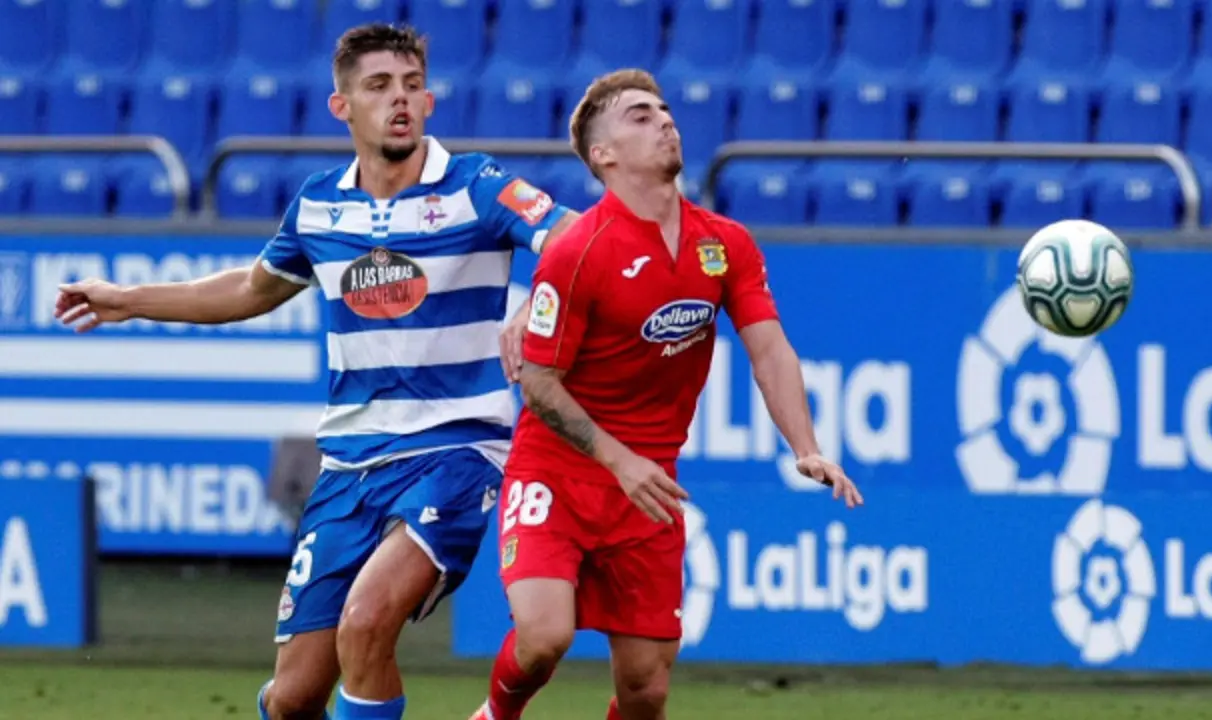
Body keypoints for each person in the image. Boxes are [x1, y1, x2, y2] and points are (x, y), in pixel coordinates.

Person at [52, 24, 578, 720]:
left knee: (367, 622)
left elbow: (578, 240)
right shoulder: (320, 204)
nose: (400, 100)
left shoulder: (477, 186)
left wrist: (535, 303)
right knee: (295, 698)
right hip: (348, 468)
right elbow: (251, 289)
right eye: (379, 86)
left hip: (455, 454)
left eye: (412, 86)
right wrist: (129, 300)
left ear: (429, 102)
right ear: (342, 107)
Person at [470, 69, 863, 720]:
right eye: (639, 116)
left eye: (664, 109)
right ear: (604, 155)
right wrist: (618, 461)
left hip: (651, 486)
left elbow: (769, 348)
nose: (664, 120)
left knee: (646, 689)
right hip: (560, 472)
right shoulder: (576, 251)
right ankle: (495, 714)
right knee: (543, 638)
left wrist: (806, 446)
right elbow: (538, 383)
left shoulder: (726, 244)